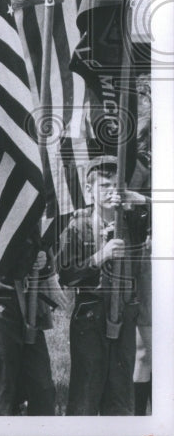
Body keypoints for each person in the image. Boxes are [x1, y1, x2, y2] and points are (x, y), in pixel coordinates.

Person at [57, 156, 150, 415]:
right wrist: (100, 256)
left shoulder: (133, 222)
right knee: (85, 394)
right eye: (104, 186)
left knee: (121, 396)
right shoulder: (78, 226)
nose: (111, 192)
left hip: (124, 315)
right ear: (89, 190)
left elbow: (163, 215)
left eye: (116, 186)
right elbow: (65, 274)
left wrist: (137, 199)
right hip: (91, 317)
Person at [0, 249, 57, 415]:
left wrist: (43, 259)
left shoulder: (31, 222)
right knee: (1, 391)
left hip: (30, 305)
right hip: (0, 300)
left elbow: (43, 243)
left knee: (42, 389)